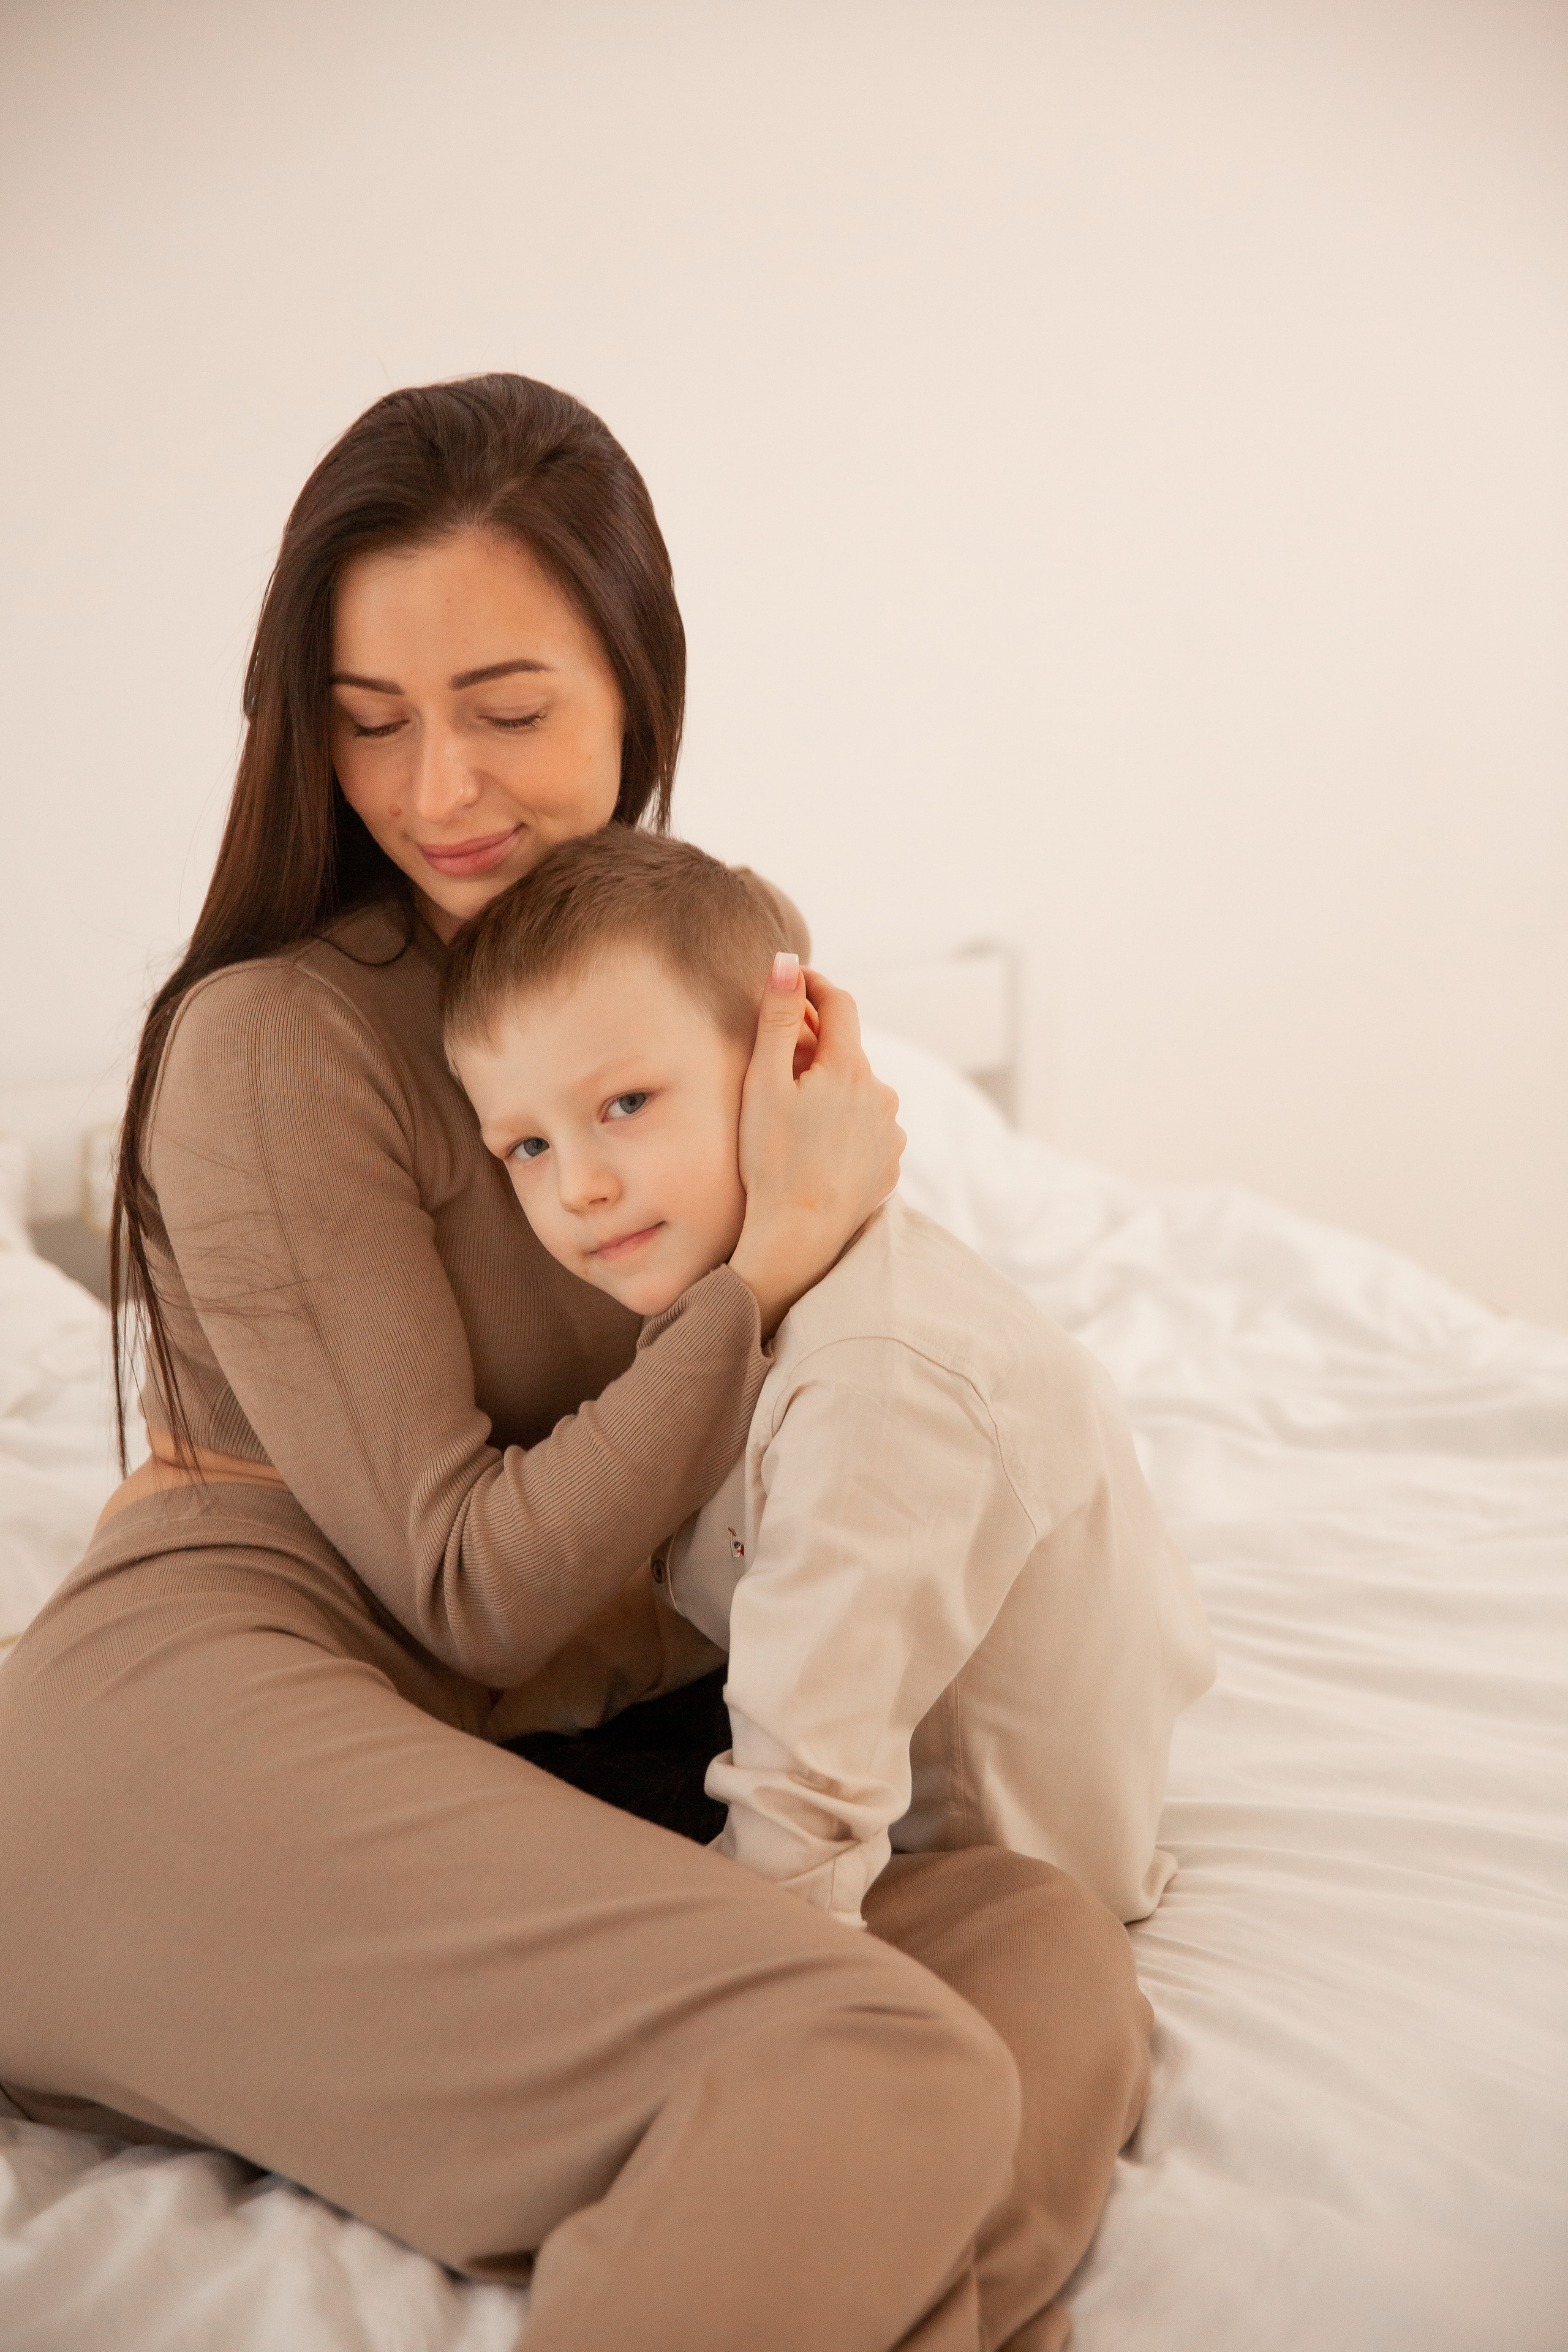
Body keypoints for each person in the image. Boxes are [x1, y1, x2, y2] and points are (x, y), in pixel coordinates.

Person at [0, 374, 1152, 2352]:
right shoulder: (271, 1041)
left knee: (1038, 1953)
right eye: (370, 726)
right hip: (186, 1743)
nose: (439, 787)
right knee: (884, 2060)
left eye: (509, 713)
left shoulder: (648, 989)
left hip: (541, 1749)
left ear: (639, 686)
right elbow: (464, 1578)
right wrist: (751, 1277)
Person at [444, 828, 1215, 1932]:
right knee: (432, 1777)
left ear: (791, 1065)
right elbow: (713, 1582)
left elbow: (804, 1811)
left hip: (967, 1864)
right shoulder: (744, 1304)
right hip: (867, 1773)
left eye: (624, 1106)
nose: (579, 1188)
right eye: (526, 1147)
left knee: (458, 1872)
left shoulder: (876, 1383)